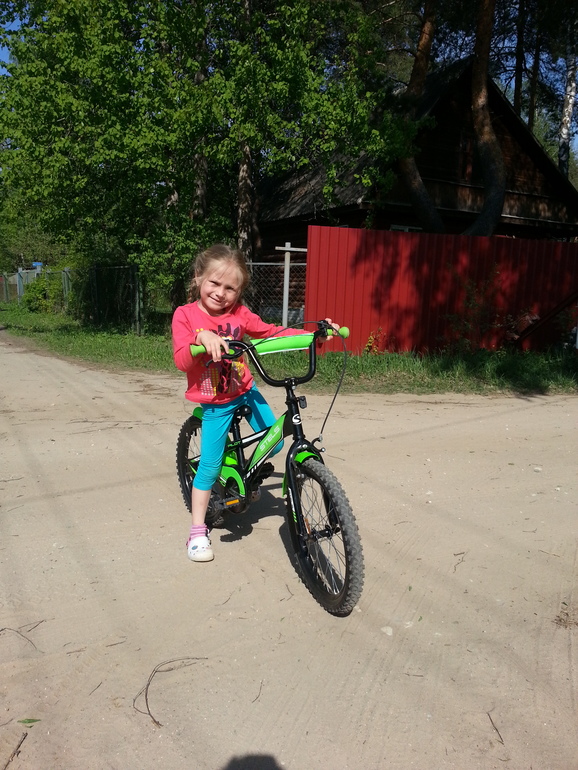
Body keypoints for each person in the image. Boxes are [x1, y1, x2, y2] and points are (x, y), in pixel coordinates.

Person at [172, 243, 338, 563]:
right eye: (214, 283)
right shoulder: (186, 315)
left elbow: (271, 333)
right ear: (198, 277)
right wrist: (201, 338)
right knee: (209, 467)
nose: (221, 293)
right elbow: (181, 359)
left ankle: (245, 476)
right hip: (216, 401)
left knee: (275, 442)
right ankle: (197, 531)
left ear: (239, 291)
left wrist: (313, 335)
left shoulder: (240, 313)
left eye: (230, 288)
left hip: (245, 390)